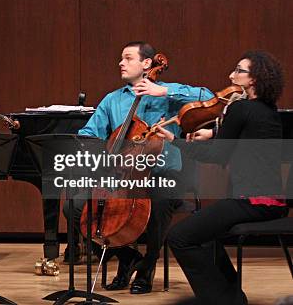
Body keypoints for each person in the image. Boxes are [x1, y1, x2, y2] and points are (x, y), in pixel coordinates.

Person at [68, 41, 212, 294]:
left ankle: (147, 266)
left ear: (147, 64)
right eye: (121, 58)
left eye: (127, 58)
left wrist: (163, 92)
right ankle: (127, 257)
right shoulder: (113, 100)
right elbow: (89, 132)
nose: (120, 63)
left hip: (163, 173)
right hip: (123, 176)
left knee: (158, 202)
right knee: (76, 205)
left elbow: (208, 98)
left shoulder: (167, 93)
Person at [156, 50, 289, 305]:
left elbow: (218, 156)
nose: (231, 75)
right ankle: (231, 298)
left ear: (254, 79)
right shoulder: (268, 111)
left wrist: (175, 141)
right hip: (273, 203)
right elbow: (241, 140)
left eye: (239, 70)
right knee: (204, 234)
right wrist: (213, 133)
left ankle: (221, 301)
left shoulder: (239, 108)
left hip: (250, 202)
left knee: (179, 237)